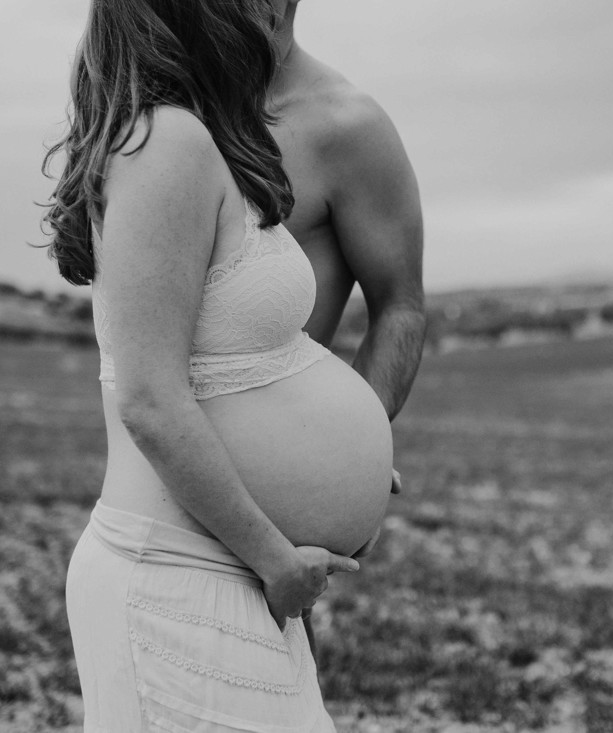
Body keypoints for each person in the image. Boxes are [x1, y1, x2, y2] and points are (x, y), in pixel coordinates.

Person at [44, 1, 398, 729]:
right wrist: (278, 561)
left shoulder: (185, 140)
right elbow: (149, 400)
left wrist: (340, 457)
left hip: (215, 571)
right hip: (184, 579)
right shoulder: (165, 143)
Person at [265, 0, 426, 653]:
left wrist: (357, 442)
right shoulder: (171, 110)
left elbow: (399, 305)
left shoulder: (346, 125)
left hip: (279, 493)